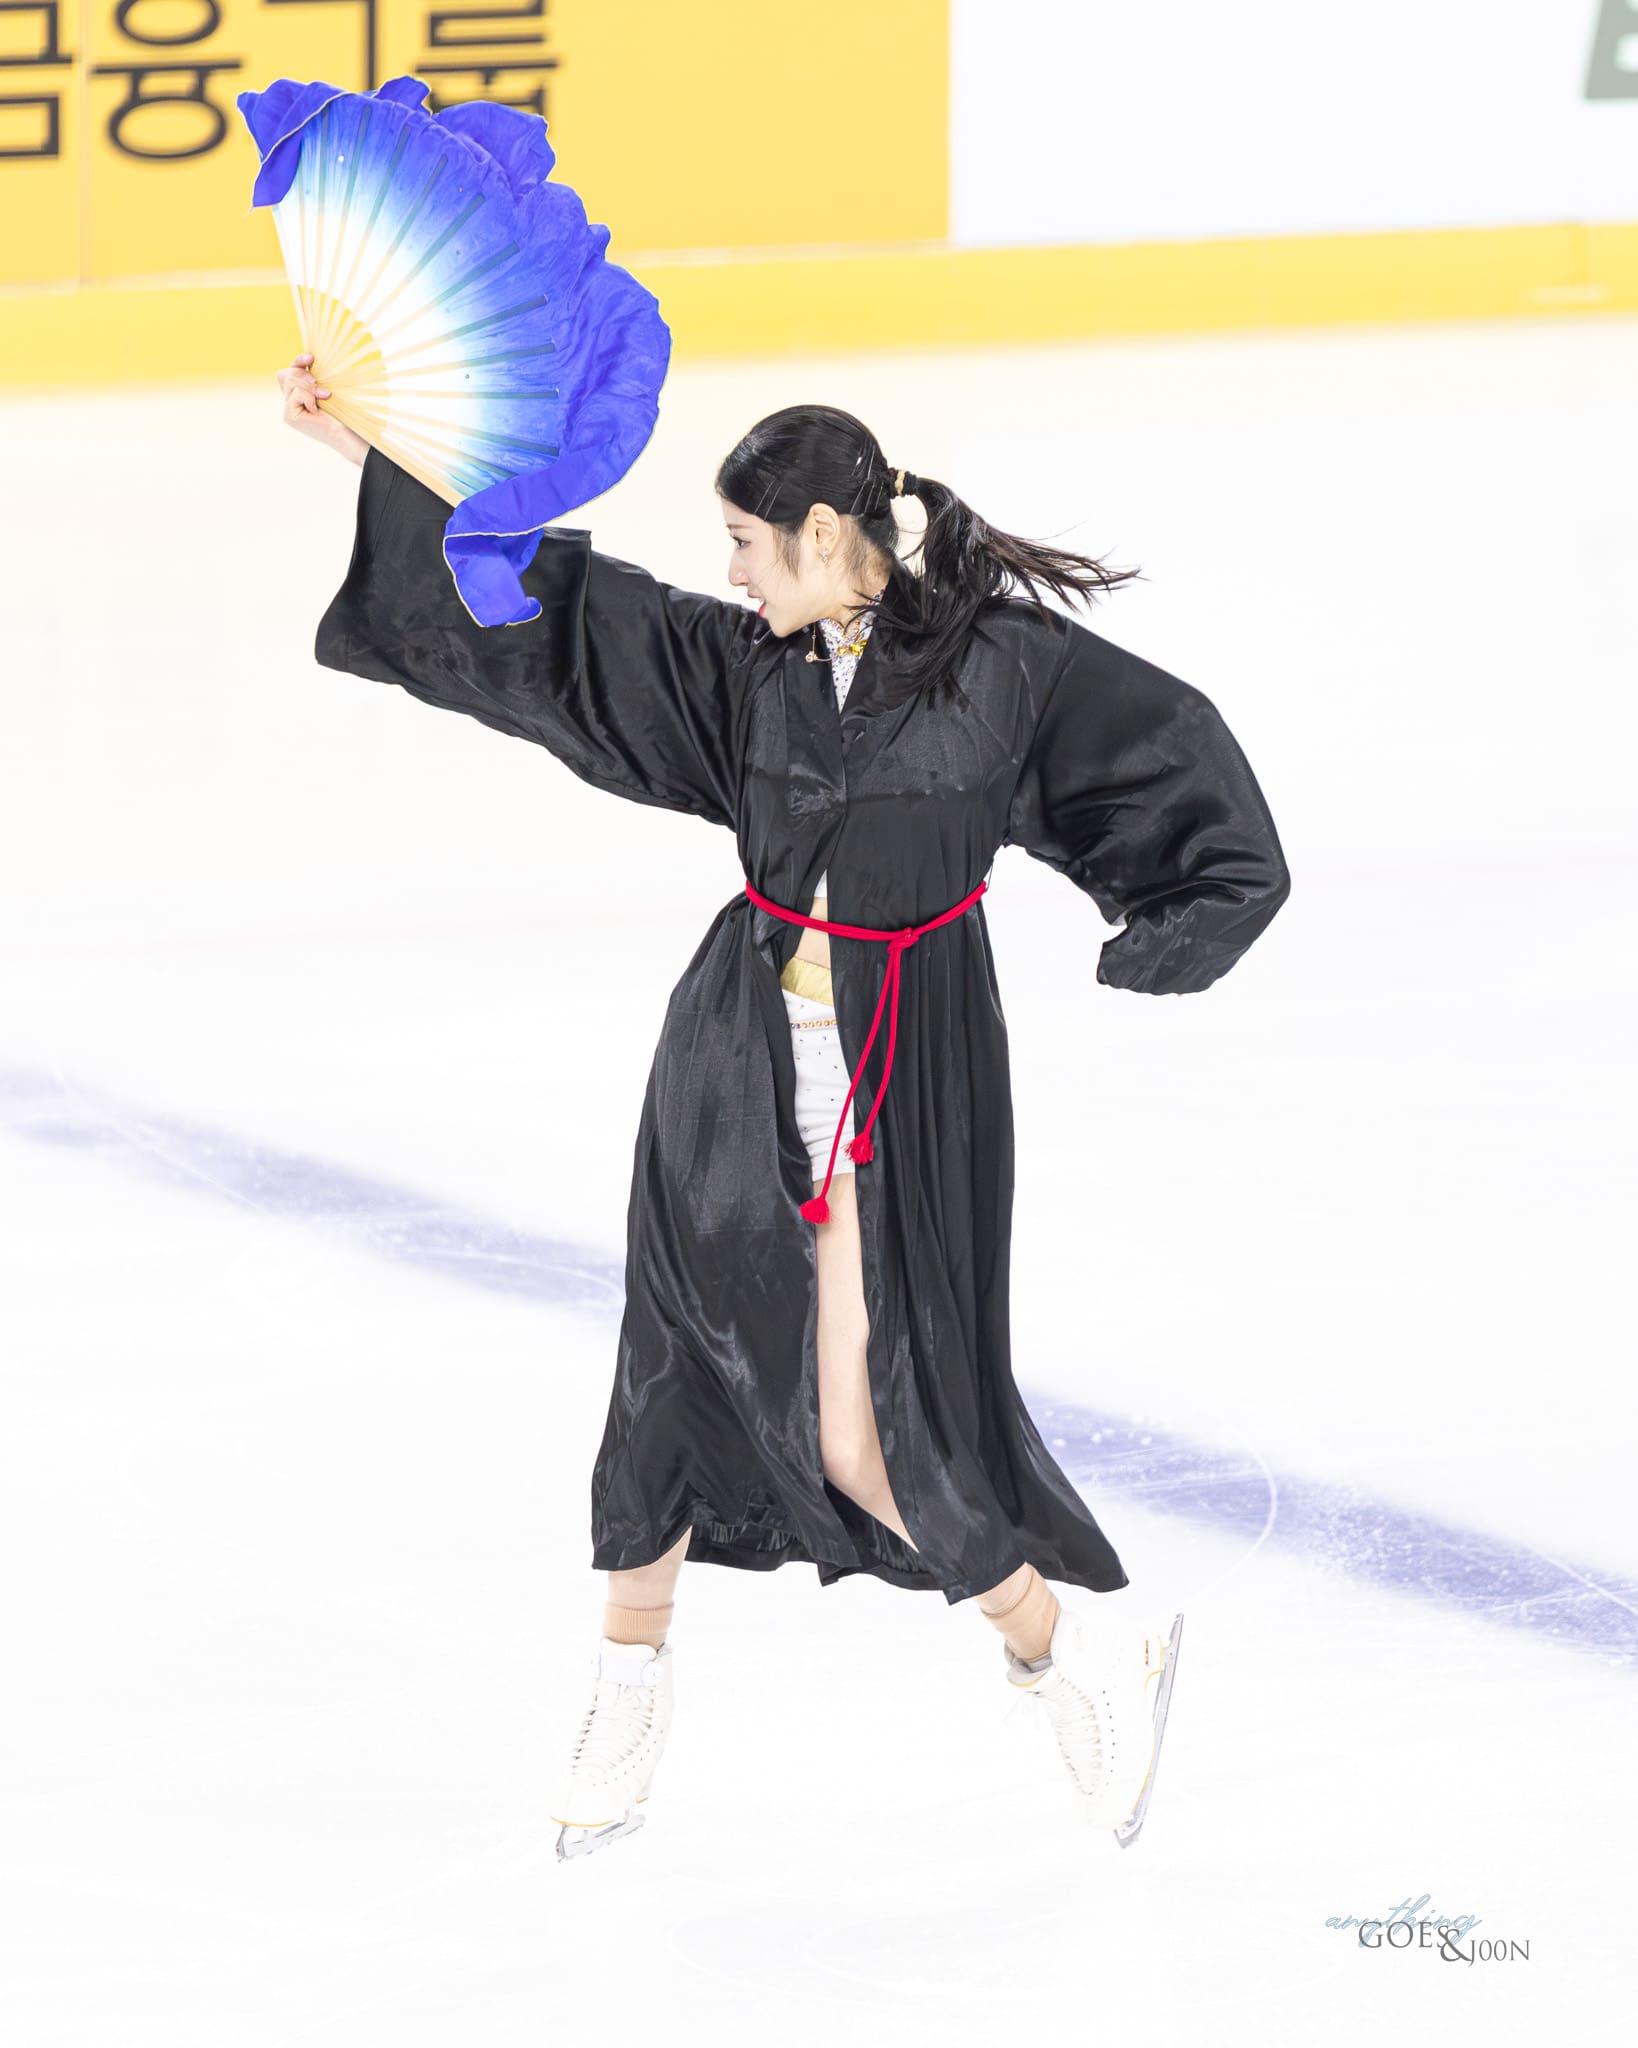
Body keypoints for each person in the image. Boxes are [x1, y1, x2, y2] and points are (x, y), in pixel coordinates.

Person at [275, 356, 1292, 1857]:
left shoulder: (1006, 668)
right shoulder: (737, 666)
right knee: (668, 1367)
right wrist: (367, 448)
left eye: (749, 542)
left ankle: (1072, 1654)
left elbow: (1167, 762)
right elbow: (552, 612)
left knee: (872, 1436)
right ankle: (627, 1689)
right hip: (734, 1058)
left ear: (826, 531)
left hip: (909, 1066)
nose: (735, 571)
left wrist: (1174, 929)